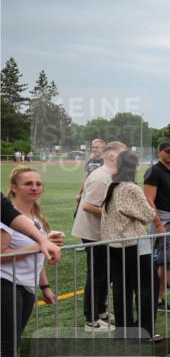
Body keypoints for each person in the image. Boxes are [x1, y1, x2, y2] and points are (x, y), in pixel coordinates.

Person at [1, 167, 58, 357]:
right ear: (13, 187)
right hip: (6, 283)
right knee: (5, 344)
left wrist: (44, 286)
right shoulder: (6, 219)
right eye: (28, 183)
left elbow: (38, 257)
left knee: (12, 343)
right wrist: (39, 244)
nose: (34, 187)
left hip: (27, 286)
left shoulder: (36, 218)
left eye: (38, 183)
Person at [101, 151, 159, 342]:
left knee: (121, 288)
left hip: (114, 243)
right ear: (134, 166)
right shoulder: (130, 188)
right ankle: (144, 331)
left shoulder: (113, 186)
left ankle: (124, 330)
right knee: (147, 287)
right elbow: (148, 215)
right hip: (134, 243)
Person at [71, 140, 126, 331]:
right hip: (93, 233)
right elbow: (88, 206)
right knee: (96, 274)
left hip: (103, 232)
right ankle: (91, 320)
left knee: (106, 273)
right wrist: (116, 216)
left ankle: (101, 311)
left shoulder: (110, 174)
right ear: (111, 155)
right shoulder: (101, 177)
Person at [143, 141, 170, 313]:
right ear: (159, 153)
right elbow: (149, 200)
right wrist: (159, 224)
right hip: (165, 223)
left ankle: (158, 300)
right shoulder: (154, 171)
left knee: (165, 263)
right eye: (168, 151)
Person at [1, 195, 61, 263]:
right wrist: (40, 245)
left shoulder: (37, 215)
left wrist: (47, 242)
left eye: (39, 186)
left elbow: (37, 262)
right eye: (27, 185)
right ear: (14, 188)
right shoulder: (5, 217)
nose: (34, 189)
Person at [74, 139, 105, 215]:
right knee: (82, 214)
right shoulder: (90, 161)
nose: (94, 149)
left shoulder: (106, 162)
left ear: (103, 148)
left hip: (99, 192)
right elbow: (86, 177)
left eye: (97, 147)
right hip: (87, 191)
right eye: (93, 147)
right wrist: (79, 193)